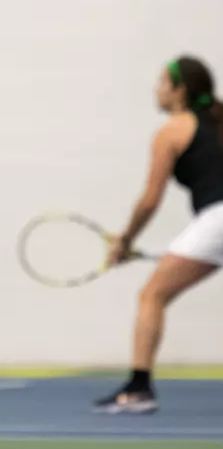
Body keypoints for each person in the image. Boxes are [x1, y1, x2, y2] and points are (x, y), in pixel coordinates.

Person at [95, 56, 223, 413]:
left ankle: (138, 388)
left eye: (162, 82)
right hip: (214, 222)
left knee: (152, 294)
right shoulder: (216, 123)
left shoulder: (171, 131)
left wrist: (125, 240)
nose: (157, 88)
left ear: (179, 90)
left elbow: (150, 201)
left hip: (217, 218)